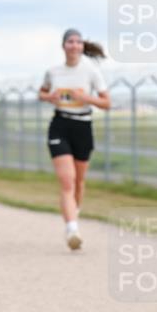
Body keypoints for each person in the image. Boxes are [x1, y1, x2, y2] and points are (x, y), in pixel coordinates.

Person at [38, 29, 110, 250]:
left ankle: (73, 215)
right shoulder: (53, 71)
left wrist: (85, 98)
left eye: (78, 42)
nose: (74, 45)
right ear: (64, 46)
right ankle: (72, 230)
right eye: (70, 41)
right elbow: (41, 93)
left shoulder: (91, 72)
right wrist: (50, 97)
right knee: (67, 181)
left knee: (78, 181)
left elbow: (106, 103)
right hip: (60, 124)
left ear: (82, 46)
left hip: (83, 125)